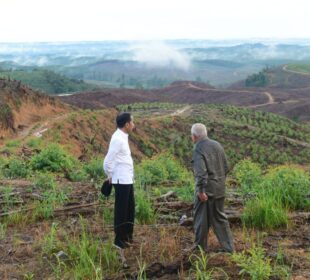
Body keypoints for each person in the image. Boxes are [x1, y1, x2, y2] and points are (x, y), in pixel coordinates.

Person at [191, 123, 234, 253]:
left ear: (194, 136)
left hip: (207, 192)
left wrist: (201, 190)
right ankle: (229, 248)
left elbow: (201, 173)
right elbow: (226, 168)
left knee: (201, 220)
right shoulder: (217, 145)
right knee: (220, 218)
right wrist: (219, 183)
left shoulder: (198, 149)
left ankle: (199, 249)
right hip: (220, 189)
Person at [103, 113, 135, 254]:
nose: (133, 124)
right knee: (121, 211)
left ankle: (127, 237)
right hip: (121, 180)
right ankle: (119, 241)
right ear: (127, 124)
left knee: (129, 209)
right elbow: (107, 161)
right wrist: (110, 175)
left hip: (127, 179)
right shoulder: (117, 139)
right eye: (132, 122)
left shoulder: (122, 137)